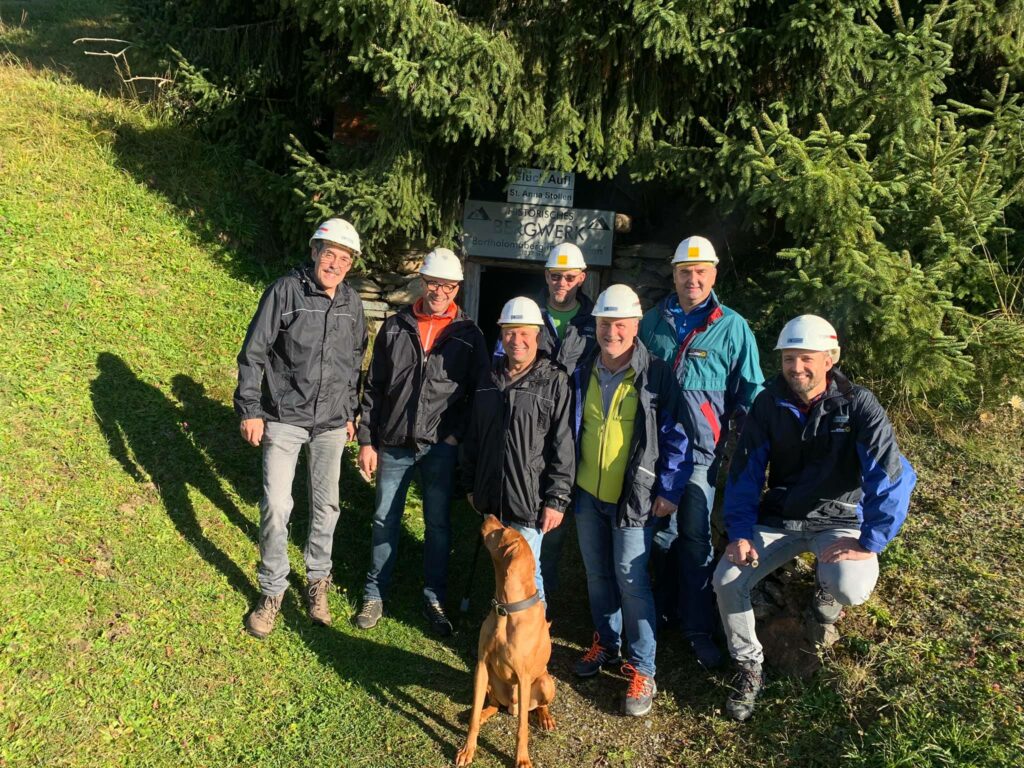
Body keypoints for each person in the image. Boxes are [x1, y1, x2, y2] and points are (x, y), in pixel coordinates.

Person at [713, 315, 916, 721]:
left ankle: (825, 592)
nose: (796, 368)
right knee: (726, 580)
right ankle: (750, 665)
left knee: (850, 588)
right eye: (789, 358)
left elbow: (891, 476)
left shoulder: (859, 405)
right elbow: (745, 473)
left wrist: (870, 541)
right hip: (783, 518)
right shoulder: (768, 403)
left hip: (840, 520)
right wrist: (738, 532)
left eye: (806, 358)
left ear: (829, 358)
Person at [235, 217, 367, 638]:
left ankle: (317, 582)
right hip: (284, 419)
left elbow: (354, 361)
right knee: (277, 505)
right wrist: (250, 409)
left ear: (351, 264)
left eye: (343, 258)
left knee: (327, 508)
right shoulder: (285, 292)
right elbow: (254, 353)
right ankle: (272, 590)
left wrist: (349, 412)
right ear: (314, 252)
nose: (334, 263)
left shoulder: (352, 304)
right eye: (329, 254)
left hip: (330, 425)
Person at [639, 235, 764, 667]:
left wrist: (751, 450)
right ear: (673, 275)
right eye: (684, 272)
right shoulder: (651, 322)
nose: (692, 279)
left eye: (700, 272)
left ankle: (694, 625)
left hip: (699, 458)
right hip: (649, 453)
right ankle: (654, 615)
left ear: (713, 274)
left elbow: (751, 391)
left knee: (694, 541)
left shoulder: (732, 326)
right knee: (652, 536)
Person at [353, 247, 489, 637]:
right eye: (433, 283)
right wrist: (367, 440)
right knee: (383, 519)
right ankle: (374, 593)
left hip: (439, 448)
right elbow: (374, 387)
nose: (439, 291)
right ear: (422, 282)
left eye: (447, 285)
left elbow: (476, 393)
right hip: (393, 442)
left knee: (438, 525)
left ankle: (433, 596)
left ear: (457, 287)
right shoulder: (395, 326)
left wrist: (454, 438)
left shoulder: (468, 335)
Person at [571, 284, 691, 717]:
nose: (612, 332)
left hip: (634, 498)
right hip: (586, 492)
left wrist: (670, 489)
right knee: (597, 574)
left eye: (620, 324)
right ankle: (606, 642)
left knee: (632, 581)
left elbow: (677, 436)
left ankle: (643, 667)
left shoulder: (654, 374)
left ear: (636, 326)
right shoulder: (583, 367)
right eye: (605, 323)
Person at [493, 243, 597, 600]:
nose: (562, 283)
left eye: (570, 276)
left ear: (582, 278)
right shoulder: (528, 316)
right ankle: (536, 596)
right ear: (546, 276)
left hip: (580, 426)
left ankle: (543, 595)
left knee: (558, 516)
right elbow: (501, 368)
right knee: (536, 515)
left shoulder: (594, 322)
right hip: (533, 429)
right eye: (555, 276)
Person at [463, 297, 575, 604]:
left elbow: (563, 444)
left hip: (530, 498)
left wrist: (557, 498)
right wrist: (471, 485)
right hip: (490, 493)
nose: (517, 340)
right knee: (502, 568)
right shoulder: (488, 378)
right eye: (510, 332)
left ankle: (531, 642)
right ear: (501, 335)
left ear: (538, 335)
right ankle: (504, 627)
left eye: (525, 332)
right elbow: (474, 436)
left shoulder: (555, 381)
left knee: (527, 572)